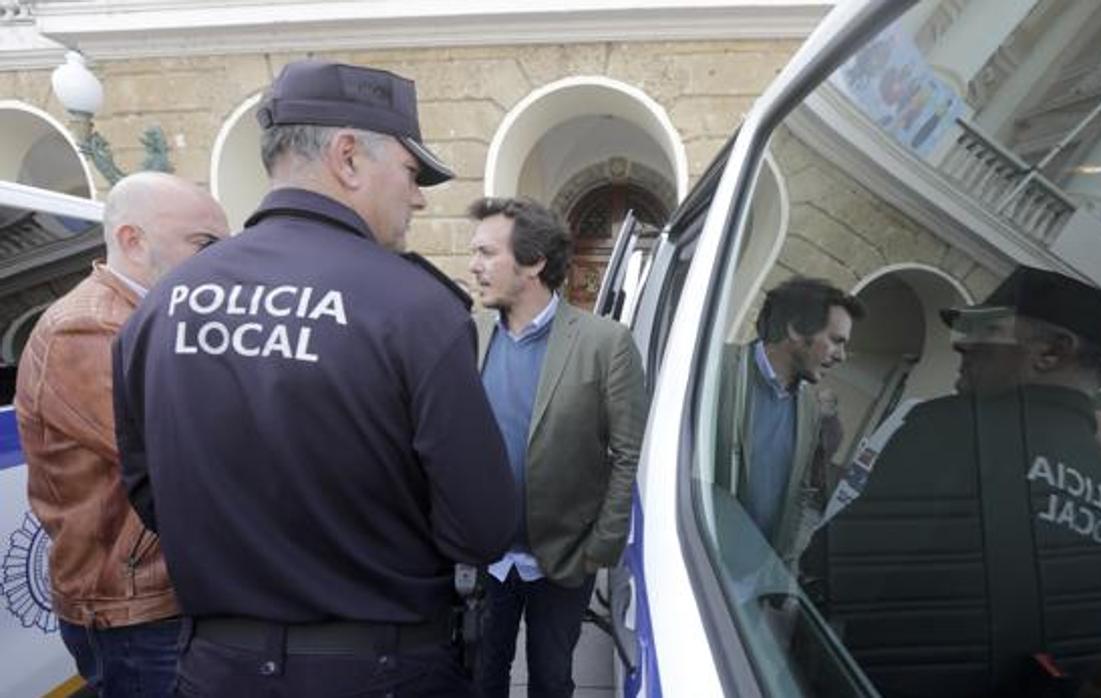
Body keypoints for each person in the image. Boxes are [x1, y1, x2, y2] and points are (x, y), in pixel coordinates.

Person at [112, 60, 517, 697]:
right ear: (348, 157)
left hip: (216, 670)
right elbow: (483, 526)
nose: (416, 197)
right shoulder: (414, 308)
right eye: (411, 174)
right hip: (381, 670)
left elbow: (147, 489)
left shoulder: (164, 304)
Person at [819, 265, 1101, 698]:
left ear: (1052, 353)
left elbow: (831, 574)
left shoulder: (954, 429)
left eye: (989, 328)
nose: (963, 342)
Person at [15, 172, 228, 696]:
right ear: (133, 240)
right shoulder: (88, 328)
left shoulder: (149, 316)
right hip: (135, 608)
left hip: (157, 592)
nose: (221, 262)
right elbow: (185, 454)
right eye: (204, 244)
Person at [466, 196, 646, 698]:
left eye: (486, 253)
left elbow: (627, 454)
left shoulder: (605, 343)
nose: (473, 266)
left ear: (534, 262)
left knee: (550, 680)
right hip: (487, 557)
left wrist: (600, 549)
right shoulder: (472, 335)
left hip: (564, 561)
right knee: (482, 677)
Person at [715, 277, 864, 566]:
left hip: (749, 580)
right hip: (688, 560)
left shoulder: (810, 406)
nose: (842, 356)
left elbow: (801, 493)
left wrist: (783, 565)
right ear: (796, 329)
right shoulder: (716, 368)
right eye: (836, 341)